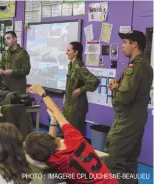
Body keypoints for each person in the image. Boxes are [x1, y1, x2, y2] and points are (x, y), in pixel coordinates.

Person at [25, 84, 118, 184]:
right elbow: (55, 110)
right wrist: (41, 92)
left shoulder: (56, 160)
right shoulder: (74, 137)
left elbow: (47, 147)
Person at [104, 30, 153, 184]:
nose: (122, 45)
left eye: (125, 42)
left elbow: (123, 99)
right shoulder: (146, 66)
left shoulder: (134, 67)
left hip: (126, 121)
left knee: (113, 162)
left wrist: (114, 89)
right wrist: (120, 86)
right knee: (130, 163)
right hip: (137, 120)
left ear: (135, 44)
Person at [62, 42, 99, 135]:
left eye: (68, 50)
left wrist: (81, 89)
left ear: (76, 52)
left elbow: (94, 81)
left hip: (77, 106)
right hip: (69, 104)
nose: (66, 52)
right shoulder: (71, 65)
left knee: (75, 133)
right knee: (66, 132)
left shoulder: (79, 67)